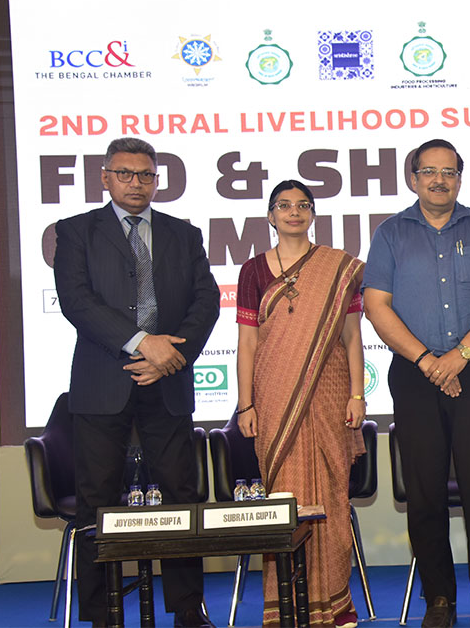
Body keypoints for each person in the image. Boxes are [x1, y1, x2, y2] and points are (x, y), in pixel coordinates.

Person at [54, 137, 218, 627]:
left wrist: (170, 356)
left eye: (145, 175)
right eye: (124, 173)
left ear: (156, 180)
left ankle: (189, 609)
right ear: (104, 177)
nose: (136, 183)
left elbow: (204, 303)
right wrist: (142, 343)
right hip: (103, 382)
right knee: (97, 500)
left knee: (181, 496)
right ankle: (103, 614)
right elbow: (77, 303)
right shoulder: (76, 231)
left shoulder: (183, 234)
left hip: (167, 384)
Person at [362, 139, 470, 628]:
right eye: (429, 171)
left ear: (459, 179)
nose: (438, 180)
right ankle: (439, 600)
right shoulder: (389, 234)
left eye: (448, 172)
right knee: (425, 492)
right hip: (413, 375)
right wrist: (430, 362)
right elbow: (376, 306)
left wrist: (459, 357)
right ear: (412, 179)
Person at [235, 180, 367, 626]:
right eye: (284, 205)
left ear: (313, 214)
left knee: (331, 493)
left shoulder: (337, 268)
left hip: (329, 392)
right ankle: (287, 607)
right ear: (270, 216)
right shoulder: (253, 270)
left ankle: (334, 602)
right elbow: (247, 342)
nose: (294, 212)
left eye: (303, 205)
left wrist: (357, 393)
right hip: (273, 397)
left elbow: (352, 336)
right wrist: (245, 403)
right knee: (285, 499)